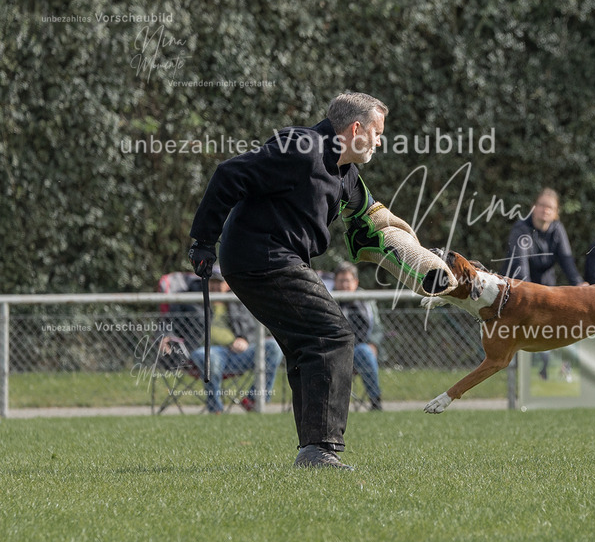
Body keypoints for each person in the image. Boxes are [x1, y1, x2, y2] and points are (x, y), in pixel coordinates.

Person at [187, 91, 453, 469]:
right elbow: (230, 173)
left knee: (308, 346)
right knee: (333, 335)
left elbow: (376, 225)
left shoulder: (347, 174)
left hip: (281, 261)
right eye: (377, 132)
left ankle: (313, 450)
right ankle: (318, 450)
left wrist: (428, 268)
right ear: (356, 128)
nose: (381, 141)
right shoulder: (300, 146)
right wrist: (202, 241)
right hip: (259, 256)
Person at [504, 188, 585, 379]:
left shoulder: (557, 229)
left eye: (550, 207)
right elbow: (520, 267)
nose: (545, 210)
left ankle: (560, 368)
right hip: (519, 291)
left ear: (556, 212)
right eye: (541, 205)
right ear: (533, 207)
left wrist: (579, 284)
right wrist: (530, 296)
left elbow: (567, 261)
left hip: (546, 291)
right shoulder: (520, 230)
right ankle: (523, 373)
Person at [186, 266, 284, 414]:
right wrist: (166, 336)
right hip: (209, 352)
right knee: (208, 357)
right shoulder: (191, 301)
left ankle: (253, 400)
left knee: (274, 347)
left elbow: (254, 329)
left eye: (219, 282)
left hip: (238, 355)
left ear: (227, 284)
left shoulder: (238, 301)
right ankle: (215, 409)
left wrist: (244, 339)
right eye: (211, 282)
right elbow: (170, 322)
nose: (215, 286)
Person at [332, 261, 383, 411]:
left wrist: (373, 344)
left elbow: (378, 328)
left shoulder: (366, 301)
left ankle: (375, 401)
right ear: (335, 282)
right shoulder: (327, 299)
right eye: (341, 281)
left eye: (347, 281)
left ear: (356, 282)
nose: (344, 285)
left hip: (359, 349)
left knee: (365, 352)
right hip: (333, 349)